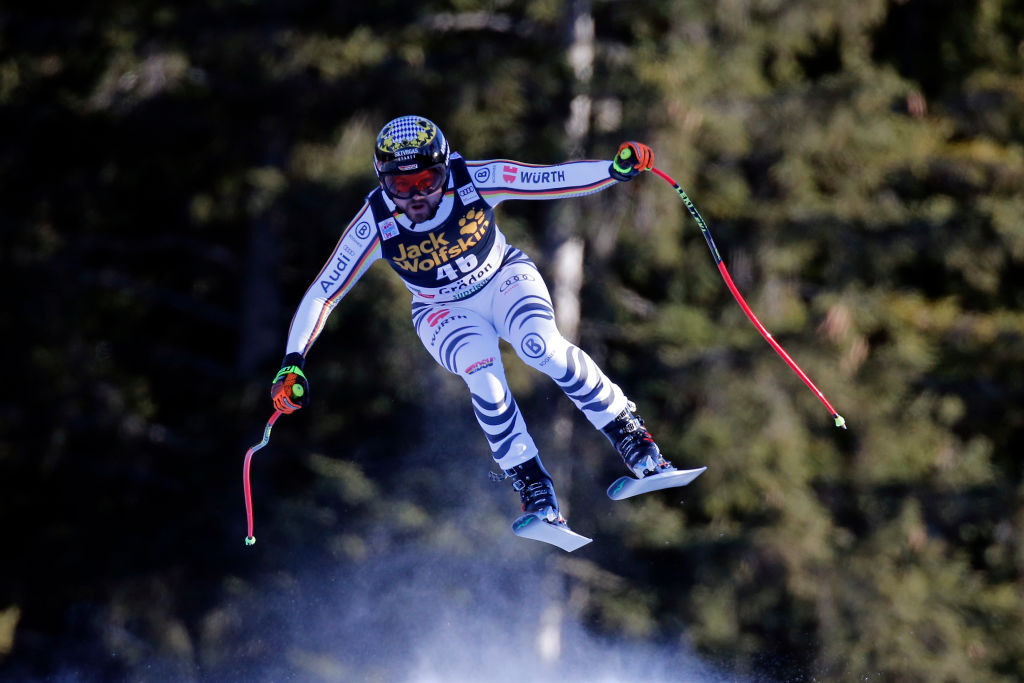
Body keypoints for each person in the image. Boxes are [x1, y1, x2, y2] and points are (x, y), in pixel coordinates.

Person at [270, 114, 676, 532]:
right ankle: (534, 489)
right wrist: (293, 360)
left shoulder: (475, 180)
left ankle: (633, 438)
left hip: (502, 277)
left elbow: (549, 179)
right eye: (400, 185)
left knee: (540, 346)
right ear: (382, 180)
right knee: (484, 376)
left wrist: (613, 170)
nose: (415, 197)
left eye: (427, 180)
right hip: (440, 309)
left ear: (445, 168)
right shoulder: (375, 222)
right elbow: (324, 291)